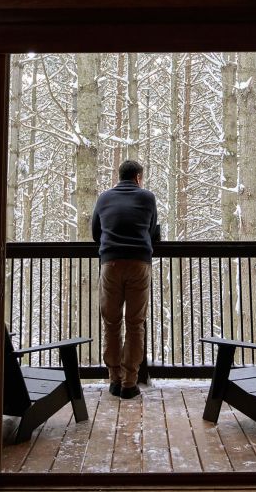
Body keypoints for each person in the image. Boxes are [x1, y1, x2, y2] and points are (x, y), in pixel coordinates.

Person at [91, 160, 160, 399]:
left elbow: (95, 233)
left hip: (110, 263)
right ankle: (130, 383)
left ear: (119, 176)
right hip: (139, 263)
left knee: (111, 323)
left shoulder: (103, 198)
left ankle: (114, 379)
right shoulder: (147, 198)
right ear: (138, 177)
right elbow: (151, 230)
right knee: (135, 323)